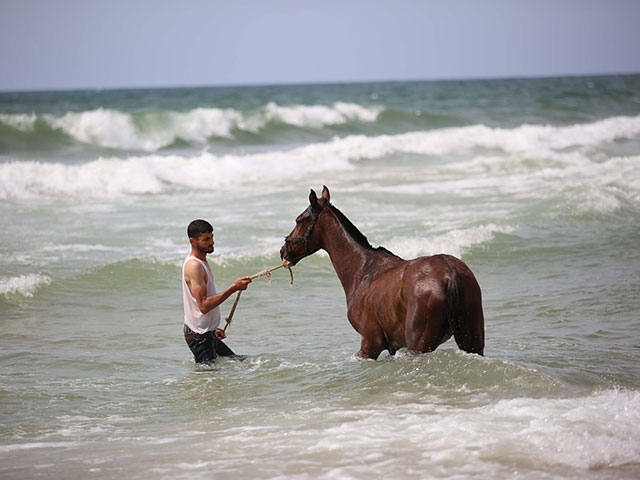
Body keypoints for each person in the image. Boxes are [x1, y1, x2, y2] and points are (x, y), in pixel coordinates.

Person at [182, 219, 251, 364]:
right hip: (199, 337)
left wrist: (212, 329)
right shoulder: (194, 266)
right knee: (209, 379)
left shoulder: (202, 261)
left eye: (212, 237)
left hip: (206, 333)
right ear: (192, 241)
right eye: (206, 239)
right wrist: (233, 288)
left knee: (239, 362)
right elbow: (203, 306)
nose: (212, 242)